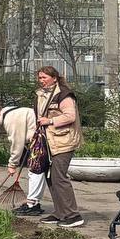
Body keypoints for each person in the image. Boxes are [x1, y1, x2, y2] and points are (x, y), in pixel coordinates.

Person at [35, 65, 84, 228]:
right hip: (50, 142)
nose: (41, 81)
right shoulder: (42, 94)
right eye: (40, 78)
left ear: (54, 78)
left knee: (59, 177)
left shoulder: (63, 95)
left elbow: (70, 116)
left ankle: (73, 215)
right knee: (50, 177)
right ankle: (60, 213)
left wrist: (49, 121)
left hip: (64, 141)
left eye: (44, 78)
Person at [0, 101, 45, 217]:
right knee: (37, 172)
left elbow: (17, 142)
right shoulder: (10, 112)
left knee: (35, 171)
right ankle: (34, 203)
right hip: (37, 140)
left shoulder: (11, 118)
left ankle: (32, 204)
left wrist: (12, 164)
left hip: (40, 140)